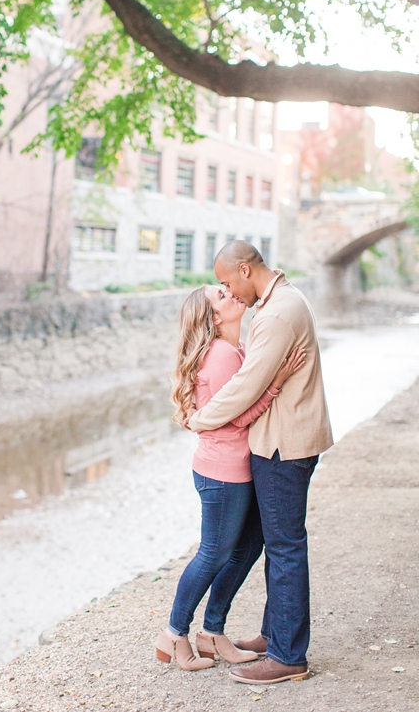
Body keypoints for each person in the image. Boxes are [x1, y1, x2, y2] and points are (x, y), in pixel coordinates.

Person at [189, 241, 333, 685]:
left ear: (246, 270)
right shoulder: (285, 300)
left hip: (282, 445)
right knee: (276, 542)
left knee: (286, 547)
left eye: (228, 282)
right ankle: (276, 636)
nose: (229, 291)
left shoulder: (274, 314)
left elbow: (248, 384)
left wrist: (200, 418)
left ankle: (289, 656)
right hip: (287, 439)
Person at [155, 284, 305, 671]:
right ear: (214, 318)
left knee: (247, 548)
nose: (230, 294)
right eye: (220, 296)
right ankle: (173, 635)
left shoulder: (234, 350)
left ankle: (212, 632)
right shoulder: (221, 355)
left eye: (225, 290)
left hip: (235, 468)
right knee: (214, 553)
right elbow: (234, 414)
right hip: (222, 473)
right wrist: (275, 383)